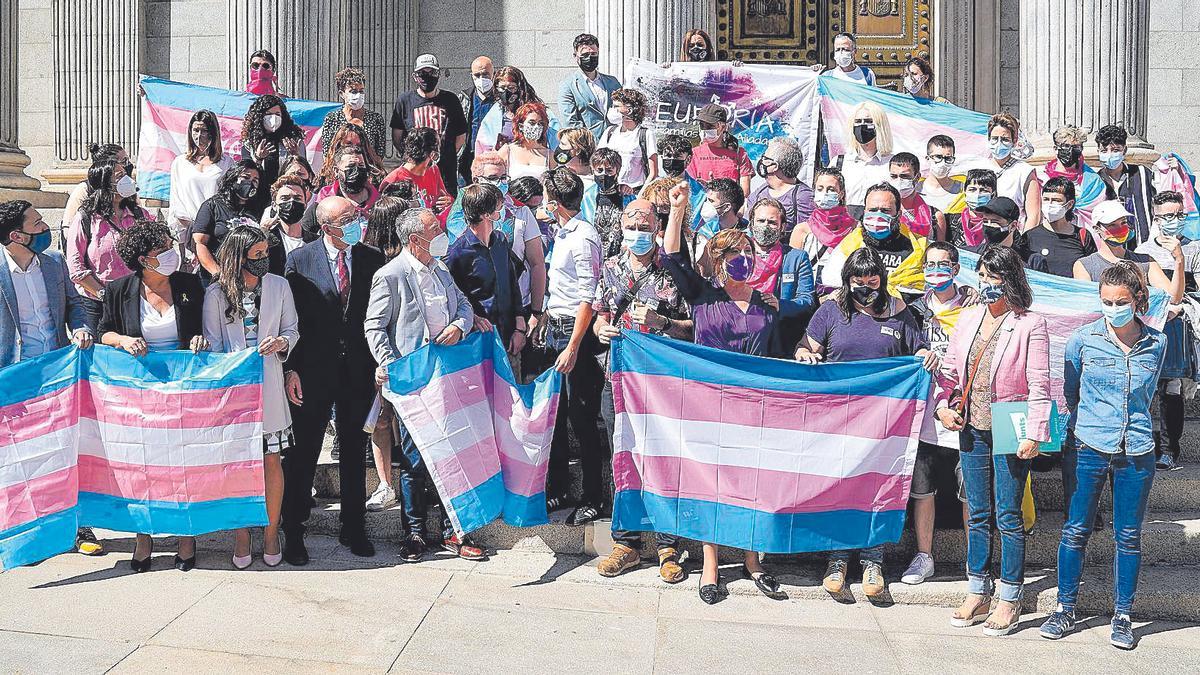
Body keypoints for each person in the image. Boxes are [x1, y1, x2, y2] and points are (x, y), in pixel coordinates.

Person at [662, 181, 781, 603]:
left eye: (746, 254)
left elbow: (778, 354)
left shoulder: (769, 304)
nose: (741, 260)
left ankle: (752, 560)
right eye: (732, 255)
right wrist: (678, 210)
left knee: (751, 482)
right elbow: (673, 257)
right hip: (709, 403)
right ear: (717, 261)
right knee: (711, 483)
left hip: (754, 406)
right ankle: (710, 564)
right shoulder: (703, 297)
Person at [1040, 262, 1166, 649]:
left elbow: (1150, 393)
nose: (1113, 308)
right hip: (1089, 444)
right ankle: (1064, 606)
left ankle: (1123, 615)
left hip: (1138, 448)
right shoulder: (1082, 340)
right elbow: (1071, 391)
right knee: (1076, 529)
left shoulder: (1157, 343)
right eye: (1107, 301)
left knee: (1128, 536)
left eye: (1121, 301)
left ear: (1138, 300)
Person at [796, 247, 932, 598]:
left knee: (877, 489)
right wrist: (807, 354)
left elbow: (916, 353)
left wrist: (924, 356)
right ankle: (837, 561)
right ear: (847, 281)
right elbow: (803, 348)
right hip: (838, 420)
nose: (867, 287)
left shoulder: (899, 312)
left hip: (885, 424)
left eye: (874, 281)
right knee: (841, 486)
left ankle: (874, 563)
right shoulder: (830, 311)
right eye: (859, 281)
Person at [936, 245, 1050, 636]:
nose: (986, 283)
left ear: (1011, 280)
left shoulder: (1030, 323)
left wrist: (1034, 432)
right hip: (972, 426)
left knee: (1009, 514)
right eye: (982, 275)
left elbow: (1039, 383)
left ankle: (1010, 596)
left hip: (1010, 421)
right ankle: (977, 589)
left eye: (994, 276)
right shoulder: (968, 319)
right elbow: (949, 373)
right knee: (978, 512)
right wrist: (942, 407)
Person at [364, 207, 485, 561]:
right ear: (416, 239)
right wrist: (391, 366)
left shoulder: (441, 268)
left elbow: (463, 304)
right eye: (436, 229)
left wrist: (460, 326)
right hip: (414, 383)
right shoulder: (390, 275)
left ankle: (455, 532)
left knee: (452, 454)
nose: (443, 232)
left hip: (448, 378)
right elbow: (374, 327)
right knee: (415, 461)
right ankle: (415, 533)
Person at [97, 220, 208, 572]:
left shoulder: (189, 284)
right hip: (139, 393)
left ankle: (186, 536)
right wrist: (124, 340)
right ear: (145, 259)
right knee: (143, 465)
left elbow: (205, 329)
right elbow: (104, 332)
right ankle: (143, 536)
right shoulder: (119, 290)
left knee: (183, 463)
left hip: (182, 389)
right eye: (163, 249)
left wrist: (198, 340)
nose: (172, 253)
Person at [593, 199, 693, 583]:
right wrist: (602, 330)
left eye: (645, 223)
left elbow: (693, 328)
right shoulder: (612, 268)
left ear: (657, 226)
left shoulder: (673, 270)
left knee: (664, 461)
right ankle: (627, 543)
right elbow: (602, 312)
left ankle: (669, 546)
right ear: (621, 224)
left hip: (662, 384)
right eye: (631, 223)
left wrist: (662, 321)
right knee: (624, 460)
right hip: (617, 380)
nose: (638, 230)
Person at [281, 196, 385, 565]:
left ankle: (353, 525)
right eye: (347, 218)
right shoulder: (300, 259)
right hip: (313, 369)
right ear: (326, 227)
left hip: (357, 368)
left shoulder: (372, 257)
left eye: (356, 215)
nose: (357, 221)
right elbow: (289, 318)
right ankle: (293, 529)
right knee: (304, 451)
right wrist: (290, 368)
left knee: (355, 449)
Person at [0, 200, 99, 556]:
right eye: (37, 222)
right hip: (14, 377)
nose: (45, 227)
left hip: (58, 371)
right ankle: (25, 531)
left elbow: (75, 305)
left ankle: (78, 527)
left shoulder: (54, 263)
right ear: (17, 235)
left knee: (66, 449)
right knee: (21, 456)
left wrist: (81, 329)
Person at [203, 225, 298, 569]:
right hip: (234, 395)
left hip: (270, 386)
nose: (263, 260)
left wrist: (282, 344)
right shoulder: (216, 294)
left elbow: (291, 329)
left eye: (265, 254)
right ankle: (241, 535)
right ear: (238, 257)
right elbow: (213, 346)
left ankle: (271, 534)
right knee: (237, 466)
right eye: (256, 255)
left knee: (272, 462)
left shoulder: (279, 285)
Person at [902, 241, 978, 584]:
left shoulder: (974, 307)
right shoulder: (913, 311)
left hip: (968, 408)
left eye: (943, 264)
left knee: (970, 490)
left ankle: (975, 561)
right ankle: (924, 557)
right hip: (925, 410)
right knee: (923, 487)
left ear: (957, 267)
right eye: (929, 265)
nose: (936, 271)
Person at [538, 168, 607, 526]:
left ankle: (593, 495)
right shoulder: (563, 231)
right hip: (556, 328)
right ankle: (559, 487)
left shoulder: (583, 238)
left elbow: (588, 296)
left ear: (556, 202)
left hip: (573, 334)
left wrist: (574, 345)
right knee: (557, 414)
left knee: (582, 417)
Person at [1135, 191, 1200, 470]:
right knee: (1145, 388)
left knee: (1171, 388)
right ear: (1156, 217)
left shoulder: (1195, 248)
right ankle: (1143, 444)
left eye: (1178, 215)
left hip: (1177, 326)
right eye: (1167, 216)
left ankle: (1169, 448)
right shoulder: (1142, 249)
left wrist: (1183, 307)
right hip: (1149, 324)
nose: (1174, 221)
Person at [359, 196, 412, 513]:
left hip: (404, 349)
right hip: (380, 351)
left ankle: (405, 481)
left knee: (397, 419)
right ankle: (386, 484)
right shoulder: (372, 262)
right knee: (381, 417)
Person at [66, 159, 153, 332]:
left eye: (126, 174)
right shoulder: (86, 219)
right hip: (97, 305)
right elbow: (76, 268)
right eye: (120, 176)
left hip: (136, 301)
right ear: (106, 183)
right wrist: (105, 295)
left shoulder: (139, 215)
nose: (127, 179)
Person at [468, 153, 548, 329]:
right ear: (476, 180)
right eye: (492, 178)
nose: (499, 182)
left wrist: (536, 312)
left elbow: (537, 264)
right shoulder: (460, 214)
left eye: (503, 177)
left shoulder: (521, 212)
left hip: (518, 308)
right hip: (478, 312)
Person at [448, 183, 528, 351]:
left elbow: (512, 283)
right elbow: (452, 299)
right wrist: (473, 318)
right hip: (478, 343)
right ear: (487, 215)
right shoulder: (458, 253)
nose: (503, 211)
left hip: (510, 338)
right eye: (500, 207)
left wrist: (520, 325)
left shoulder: (500, 240)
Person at [820, 183, 927, 301]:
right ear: (864, 211)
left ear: (898, 214)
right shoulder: (849, 246)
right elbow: (830, 281)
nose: (878, 216)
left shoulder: (919, 247)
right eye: (873, 210)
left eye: (886, 211)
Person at [1074, 200, 1184, 306]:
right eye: (1112, 225)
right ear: (1097, 229)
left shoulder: (1146, 261)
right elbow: (1086, 305)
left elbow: (1173, 298)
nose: (1120, 229)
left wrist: (1179, 260)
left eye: (1123, 223)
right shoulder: (1085, 265)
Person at [389, 53, 468, 197]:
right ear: (414, 76)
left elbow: (461, 136)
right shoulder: (405, 100)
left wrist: (445, 154)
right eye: (422, 73)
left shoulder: (451, 99)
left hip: (445, 173)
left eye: (431, 72)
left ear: (438, 74)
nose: (427, 77)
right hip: (415, 172)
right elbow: (397, 137)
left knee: (445, 210)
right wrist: (413, 159)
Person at [745, 197, 816, 354]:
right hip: (742, 333)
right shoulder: (739, 254)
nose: (765, 227)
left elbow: (807, 300)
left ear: (782, 227)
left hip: (780, 337)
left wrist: (780, 305)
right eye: (760, 221)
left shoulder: (796, 258)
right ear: (751, 224)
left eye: (772, 222)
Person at [168, 110, 234, 246]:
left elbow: (229, 200)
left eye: (204, 131)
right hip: (187, 231)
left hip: (216, 232)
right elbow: (176, 200)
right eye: (195, 130)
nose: (199, 136)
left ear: (213, 133)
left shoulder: (227, 163)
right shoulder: (180, 162)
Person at [788, 168, 858, 292]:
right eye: (820, 189)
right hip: (809, 295)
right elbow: (792, 269)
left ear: (841, 193)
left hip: (843, 294)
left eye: (831, 189)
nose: (824, 193)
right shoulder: (802, 230)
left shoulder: (854, 229)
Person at [190, 160, 261, 282]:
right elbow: (200, 244)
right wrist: (218, 274)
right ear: (233, 178)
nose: (250, 183)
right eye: (246, 177)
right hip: (217, 279)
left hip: (249, 279)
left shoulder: (258, 209)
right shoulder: (212, 205)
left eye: (255, 180)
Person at [1034, 125, 1115, 228]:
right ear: (1056, 149)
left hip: (1085, 235)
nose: (1071, 151)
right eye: (1066, 146)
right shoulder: (1041, 179)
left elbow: (1101, 213)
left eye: (1076, 147)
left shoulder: (1094, 181)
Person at [240, 94, 303, 218]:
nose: (273, 118)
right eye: (269, 114)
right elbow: (245, 173)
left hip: (286, 196)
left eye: (277, 114)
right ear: (260, 116)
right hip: (258, 197)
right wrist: (257, 158)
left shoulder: (293, 140)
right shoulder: (249, 143)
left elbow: (303, 171)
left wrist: (296, 155)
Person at [1019, 176, 1096, 277]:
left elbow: (1092, 269)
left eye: (1056, 200)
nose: (1050, 204)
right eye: (1046, 199)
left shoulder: (1083, 236)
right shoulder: (1030, 237)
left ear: (1069, 204)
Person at [975, 113, 1039, 231]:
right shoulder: (977, 168)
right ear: (988, 139)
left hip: (1012, 237)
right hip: (980, 236)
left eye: (1005, 139)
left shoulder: (1025, 171)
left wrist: (1024, 243)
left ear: (1014, 141)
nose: (999, 143)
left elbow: (1033, 215)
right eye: (994, 139)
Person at [1096, 124, 1157, 246]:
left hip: (1142, 246)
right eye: (1104, 150)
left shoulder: (1142, 173)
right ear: (1098, 151)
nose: (1109, 154)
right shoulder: (1095, 180)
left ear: (1124, 150)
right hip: (1111, 248)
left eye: (1115, 150)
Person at [832, 101, 894, 215]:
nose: (862, 125)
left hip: (878, 224)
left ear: (879, 125)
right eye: (858, 121)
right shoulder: (839, 162)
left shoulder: (892, 163)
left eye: (868, 121)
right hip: (845, 225)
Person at [558, 33, 621, 140]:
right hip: (588, 146)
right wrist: (588, 144)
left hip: (616, 143)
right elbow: (570, 123)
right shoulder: (568, 86)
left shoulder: (613, 82)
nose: (590, 58)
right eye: (585, 55)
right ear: (575, 56)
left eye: (593, 54)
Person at [747, 136, 813, 237]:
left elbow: (805, 234)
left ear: (775, 166)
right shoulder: (759, 192)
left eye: (765, 158)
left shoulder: (804, 196)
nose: (761, 161)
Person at [381, 127, 453, 217]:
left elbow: (445, 198)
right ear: (433, 154)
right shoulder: (393, 180)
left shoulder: (433, 170)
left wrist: (448, 201)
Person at [598, 88, 658, 193]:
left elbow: (653, 173)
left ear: (629, 109)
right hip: (611, 192)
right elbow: (597, 162)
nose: (612, 110)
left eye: (616, 106)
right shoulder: (610, 132)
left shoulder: (645, 134)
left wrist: (641, 195)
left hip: (635, 193)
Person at [686, 103, 752, 197]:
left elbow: (745, 192)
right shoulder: (693, 154)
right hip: (700, 209)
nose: (704, 130)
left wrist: (720, 193)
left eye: (709, 126)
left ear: (723, 127)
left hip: (730, 209)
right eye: (702, 126)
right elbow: (688, 188)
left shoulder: (739, 154)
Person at [320, 68, 387, 159]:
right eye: (353, 91)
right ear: (341, 94)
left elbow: (379, 154)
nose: (358, 95)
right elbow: (327, 154)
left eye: (361, 91)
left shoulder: (376, 119)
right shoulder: (332, 119)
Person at [63, 143, 130, 229]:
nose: (128, 165)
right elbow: (68, 227)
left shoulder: (128, 188)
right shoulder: (84, 189)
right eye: (124, 161)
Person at [264, 176, 316, 276]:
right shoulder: (265, 240)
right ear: (274, 205)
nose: (292, 202)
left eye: (297, 198)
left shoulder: (316, 242)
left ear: (305, 204)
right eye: (285, 198)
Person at [693, 178, 749, 271]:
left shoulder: (746, 234)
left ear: (727, 207)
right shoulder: (705, 230)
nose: (706, 204)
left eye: (711, 201)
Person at [483, 66, 543, 152]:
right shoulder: (495, 112)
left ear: (520, 88)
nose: (506, 92)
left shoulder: (536, 112)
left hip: (530, 160)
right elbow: (483, 145)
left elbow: (550, 140)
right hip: (503, 161)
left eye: (511, 88)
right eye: (502, 88)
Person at [457, 56, 497, 184]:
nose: (481, 78)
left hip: (493, 157)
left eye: (485, 74)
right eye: (477, 75)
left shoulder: (501, 100)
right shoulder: (464, 98)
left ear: (493, 74)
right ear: (472, 75)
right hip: (467, 157)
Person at [312, 145, 380, 217]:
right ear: (336, 170)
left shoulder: (379, 201)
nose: (357, 170)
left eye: (361, 165)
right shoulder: (324, 200)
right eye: (351, 166)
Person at [890, 152, 942, 239]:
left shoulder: (934, 216)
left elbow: (940, 250)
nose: (899, 181)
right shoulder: (883, 212)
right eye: (894, 176)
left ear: (917, 177)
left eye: (905, 176)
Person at [318, 123, 387, 188]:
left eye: (359, 145)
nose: (354, 148)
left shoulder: (377, 175)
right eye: (348, 144)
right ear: (338, 146)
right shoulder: (325, 177)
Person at [944, 169, 999, 250]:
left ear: (993, 194)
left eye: (984, 190)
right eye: (972, 189)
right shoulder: (949, 221)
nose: (977, 194)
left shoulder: (1000, 224)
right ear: (965, 191)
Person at [497, 102, 552, 180]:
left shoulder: (549, 155)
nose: (536, 127)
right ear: (520, 126)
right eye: (532, 123)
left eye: (540, 123)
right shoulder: (507, 151)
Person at [918, 134, 962, 214]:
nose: (943, 163)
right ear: (928, 159)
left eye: (948, 158)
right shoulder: (915, 190)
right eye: (938, 157)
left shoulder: (963, 191)